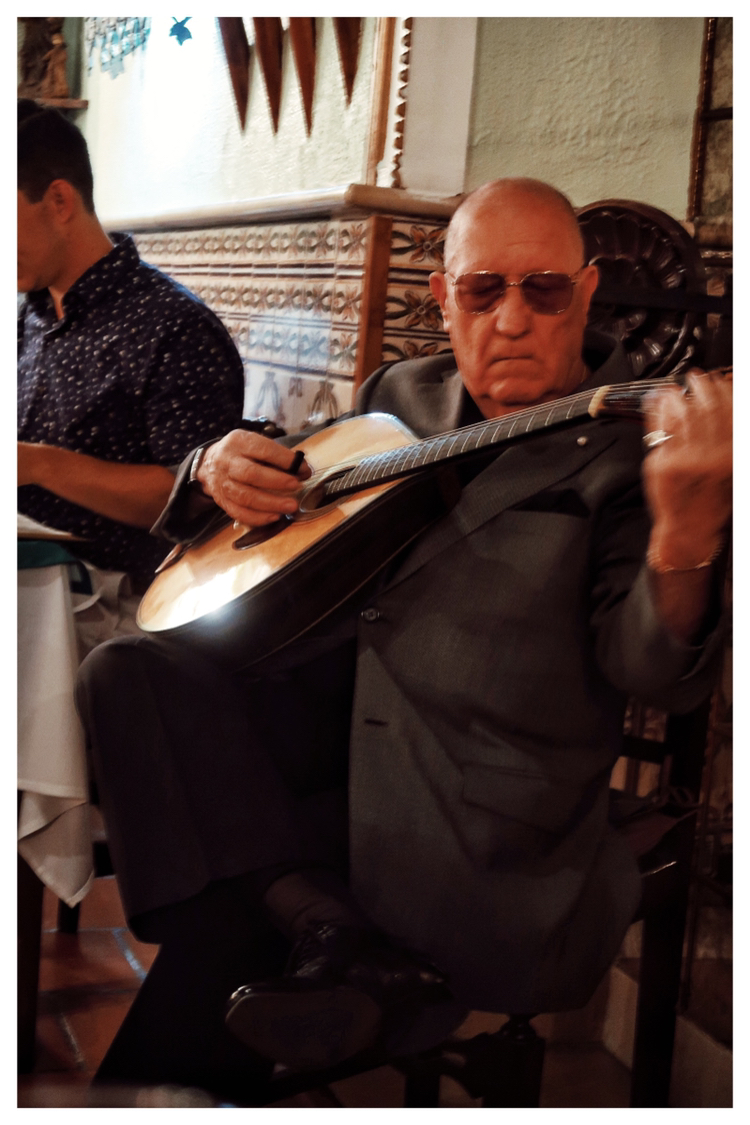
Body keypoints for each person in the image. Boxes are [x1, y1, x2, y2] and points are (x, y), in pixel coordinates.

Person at [76, 179, 731, 1101]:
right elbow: (292, 496)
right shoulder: (399, 396)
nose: (512, 320)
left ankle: (319, 940)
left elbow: (654, 675)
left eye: (545, 291)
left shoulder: (637, 451)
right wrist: (214, 469)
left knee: (217, 939)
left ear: (586, 293)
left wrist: (687, 536)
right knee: (124, 668)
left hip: (471, 806)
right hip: (336, 751)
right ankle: (324, 934)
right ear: (443, 297)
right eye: (483, 291)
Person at [17, 99, 244, 593]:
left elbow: (196, 496)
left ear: (59, 201)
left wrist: (37, 465)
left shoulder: (174, 326)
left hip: (116, 602)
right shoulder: (30, 313)